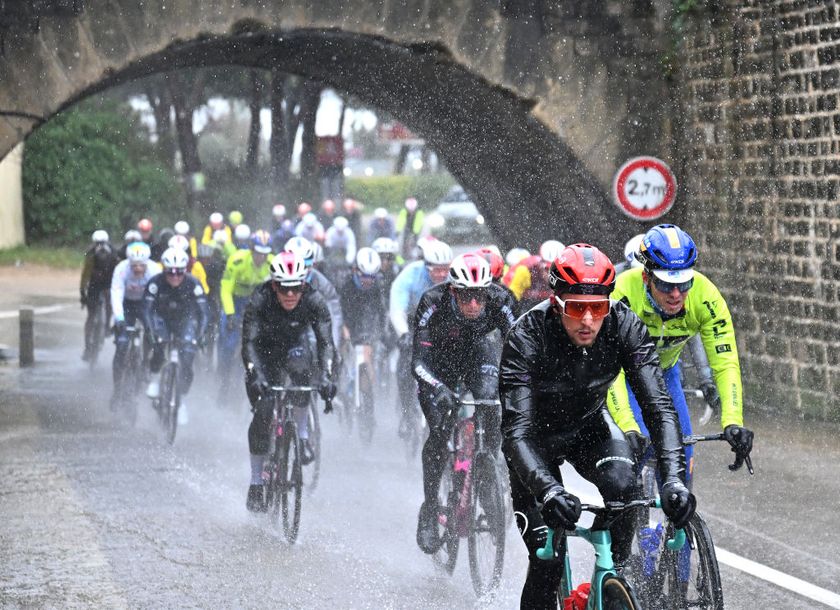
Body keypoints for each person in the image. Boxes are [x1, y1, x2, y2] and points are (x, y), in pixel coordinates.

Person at [498, 243, 694, 608]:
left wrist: (673, 478)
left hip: (590, 428)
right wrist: (548, 491)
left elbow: (659, 408)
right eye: (576, 308)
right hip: (534, 443)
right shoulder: (526, 336)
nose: (588, 320)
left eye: (598, 308)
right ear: (557, 303)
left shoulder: (624, 324)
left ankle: (612, 577)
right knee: (547, 558)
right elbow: (517, 433)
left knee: (625, 489)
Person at [607, 224, 754, 484]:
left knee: (681, 456)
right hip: (622, 372)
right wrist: (627, 425)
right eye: (665, 284)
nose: (676, 295)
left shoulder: (706, 297)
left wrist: (733, 421)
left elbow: (726, 363)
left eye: (683, 283)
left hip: (665, 373)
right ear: (646, 278)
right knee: (631, 453)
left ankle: (678, 516)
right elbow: (610, 370)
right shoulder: (621, 293)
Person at [414, 253, 517, 553]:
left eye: (479, 297)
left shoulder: (502, 300)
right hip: (438, 365)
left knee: (492, 407)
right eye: (466, 297)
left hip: (478, 356)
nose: (474, 304)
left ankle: (486, 476)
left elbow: (522, 348)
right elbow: (417, 362)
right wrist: (436, 386)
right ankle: (430, 508)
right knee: (439, 432)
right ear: (453, 291)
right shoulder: (431, 302)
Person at [242, 250, 337, 512]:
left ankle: (302, 435)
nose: (291, 295)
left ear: (304, 285)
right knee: (263, 412)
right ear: (274, 285)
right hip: (263, 354)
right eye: (285, 289)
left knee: (304, 376)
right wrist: (256, 375)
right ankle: (256, 482)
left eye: (296, 288)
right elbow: (248, 344)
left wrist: (328, 377)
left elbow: (326, 343)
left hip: (294, 348)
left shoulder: (314, 300)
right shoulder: (259, 299)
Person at [389, 240, 453, 435]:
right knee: (407, 365)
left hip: (439, 322)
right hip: (411, 321)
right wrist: (403, 334)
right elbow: (397, 310)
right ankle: (407, 412)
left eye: (445, 270)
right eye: (436, 270)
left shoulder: (454, 277)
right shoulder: (409, 276)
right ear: (426, 267)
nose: (442, 275)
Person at [144, 247, 209, 425]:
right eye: (170, 273)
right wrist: (150, 332)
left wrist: (201, 335)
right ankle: (156, 379)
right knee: (159, 344)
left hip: (184, 321)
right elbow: (147, 311)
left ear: (185, 271)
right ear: (164, 270)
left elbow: (204, 313)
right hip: (161, 318)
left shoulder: (194, 284)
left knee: (187, 359)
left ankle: (181, 402)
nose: (174, 277)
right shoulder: (155, 283)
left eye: (179, 272)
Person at [218, 230, 274, 399]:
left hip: (256, 302)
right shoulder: (237, 260)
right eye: (258, 253)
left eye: (265, 254)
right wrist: (229, 315)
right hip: (235, 300)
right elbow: (225, 290)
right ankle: (224, 377)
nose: (261, 258)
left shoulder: (273, 263)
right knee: (229, 343)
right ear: (251, 250)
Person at [110, 242, 161, 407]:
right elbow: (116, 293)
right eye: (134, 265)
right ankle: (117, 388)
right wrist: (119, 318)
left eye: (141, 265)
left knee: (153, 334)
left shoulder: (155, 270)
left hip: (146, 305)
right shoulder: (121, 269)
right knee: (122, 344)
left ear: (147, 263)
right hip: (127, 305)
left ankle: (146, 361)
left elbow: (160, 298)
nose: (138, 269)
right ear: (129, 263)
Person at [284, 236, 344, 348]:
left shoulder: (322, 283)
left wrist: (332, 345)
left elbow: (333, 315)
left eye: (307, 266)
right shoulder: (271, 282)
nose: (303, 271)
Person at [80, 230, 119, 361]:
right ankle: (105, 327)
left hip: (102, 285)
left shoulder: (93, 252)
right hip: (99, 285)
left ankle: (88, 346)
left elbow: (85, 274)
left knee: (93, 315)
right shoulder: (107, 252)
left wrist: (82, 291)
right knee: (95, 313)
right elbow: (86, 273)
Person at [503, 239, 565, 313]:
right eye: (547, 269)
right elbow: (510, 301)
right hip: (518, 296)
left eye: (556, 271)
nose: (550, 275)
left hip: (539, 300)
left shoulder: (565, 275)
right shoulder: (525, 271)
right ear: (540, 263)